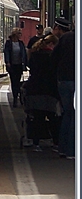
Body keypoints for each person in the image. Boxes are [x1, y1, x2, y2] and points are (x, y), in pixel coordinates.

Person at [22, 34, 59, 149]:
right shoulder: (52, 57)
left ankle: (36, 143)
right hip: (49, 91)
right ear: (51, 44)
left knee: (38, 117)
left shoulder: (34, 55)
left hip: (35, 89)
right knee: (53, 118)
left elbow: (32, 70)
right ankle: (55, 143)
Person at [51, 16, 74, 158]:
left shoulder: (64, 39)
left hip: (63, 81)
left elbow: (53, 58)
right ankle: (72, 150)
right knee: (75, 116)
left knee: (68, 114)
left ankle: (63, 148)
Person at [4, 27, 28, 106]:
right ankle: (15, 97)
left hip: (19, 65)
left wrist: (25, 63)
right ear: (15, 34)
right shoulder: (9, 43)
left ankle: (18, 95)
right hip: (12, 65)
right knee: (13, 81)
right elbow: (6, 52)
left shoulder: (21, 43)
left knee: (18, 81)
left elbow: (24, 54)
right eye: (19, 33)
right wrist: (7, 62)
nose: (20, 35)